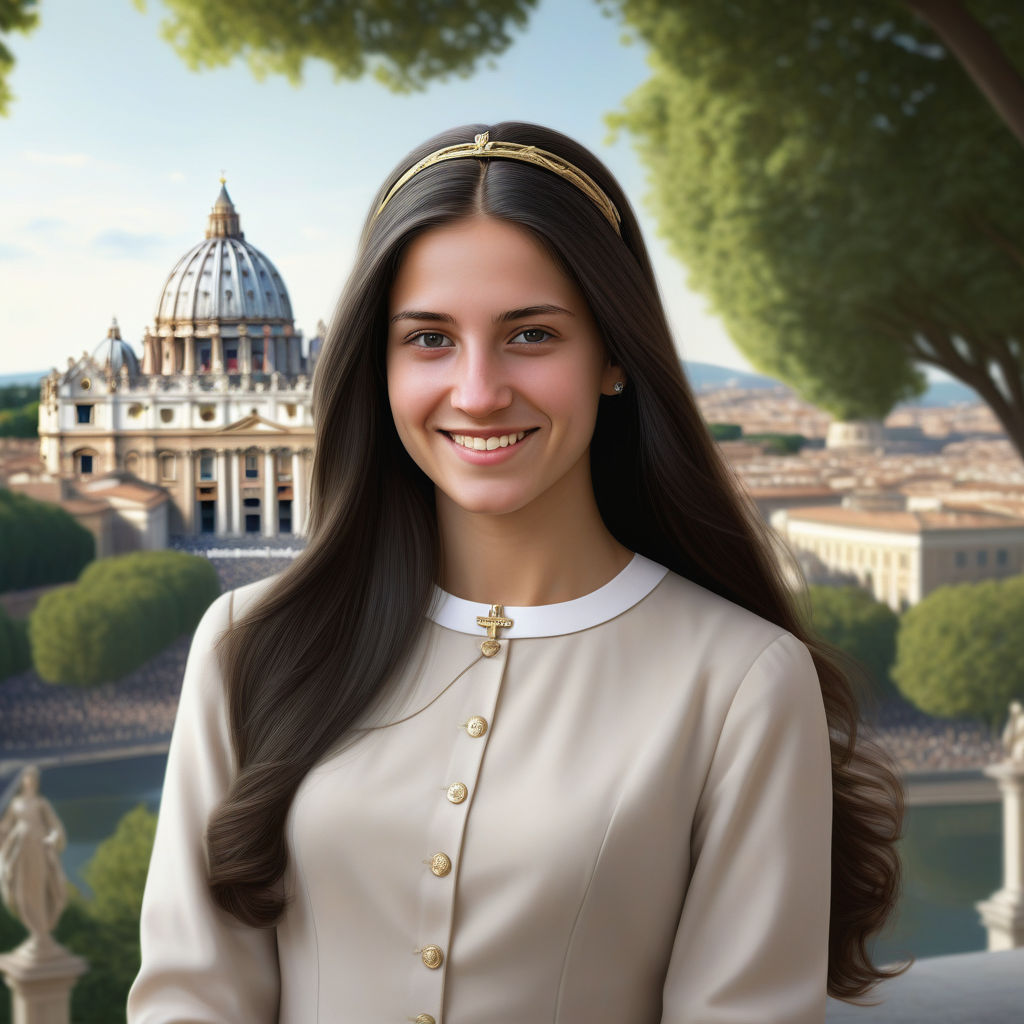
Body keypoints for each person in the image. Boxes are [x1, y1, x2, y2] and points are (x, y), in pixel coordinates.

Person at [127, 122, 904, 1023]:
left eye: (531, 334)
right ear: (373, 366)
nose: (478, 391)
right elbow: (192, 999)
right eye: (427, 339)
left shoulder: (744, 682)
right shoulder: (244, 645)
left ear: (614, 354)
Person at [0, 765, 68, 954]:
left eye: (33, 778)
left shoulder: (41, 803)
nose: (30, 781)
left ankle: (42, 933)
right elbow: (5, 827)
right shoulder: (15, 803)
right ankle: (35, 932)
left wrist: (53, 838)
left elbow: (54, 826)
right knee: (22, 891)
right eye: (27, 778)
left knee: (38, 889)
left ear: (36, 782)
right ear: (23, 781)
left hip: (38, 848)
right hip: (21, 850)